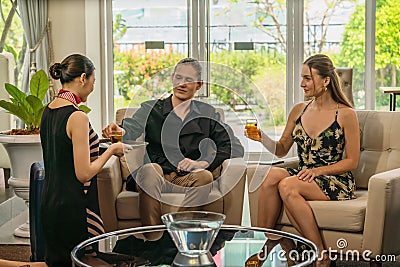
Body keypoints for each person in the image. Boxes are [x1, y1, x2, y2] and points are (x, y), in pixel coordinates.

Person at [102, 57, 244, 233]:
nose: (182, 84)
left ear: (199, 85)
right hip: (155, 175)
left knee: (205, 176)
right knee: (150, 170)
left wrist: (202, 163)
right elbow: (130, 128)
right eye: (178, 78)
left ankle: (178, 234)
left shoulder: (207, 113)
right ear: (172, 79)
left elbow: (234, 147)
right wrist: (120, 130)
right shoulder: (151, 108)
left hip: (185, 177)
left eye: (188, 80)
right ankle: (153, 238)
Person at [245, 54, 360, 266]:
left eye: (307, 78)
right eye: (302, 78)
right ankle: (274, 239)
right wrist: (262, 138)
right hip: (304, 174)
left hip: (335, 179)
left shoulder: (345, 114)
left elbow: (352, 161)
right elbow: (281, 150)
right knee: (269, 175)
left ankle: (320, 253)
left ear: (325, 81)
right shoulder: (299, 110)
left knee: (288, 185)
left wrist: (319, 171)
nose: (302, 84)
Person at [40, 54, 129, 267]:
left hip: (51, 203)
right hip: (74, 208)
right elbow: (84, 173)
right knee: (84, 262)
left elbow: (66, 154)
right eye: (93, 81)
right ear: (82, 78)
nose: (92, 87)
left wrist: (104, 140)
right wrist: (112, 151)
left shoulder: (49, 110)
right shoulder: (77, 117)